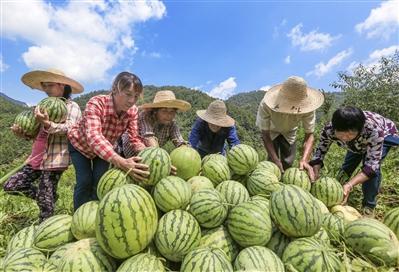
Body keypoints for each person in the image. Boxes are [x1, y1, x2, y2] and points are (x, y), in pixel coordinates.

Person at [3, 68, 83, 222]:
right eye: (44, 86)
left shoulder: (72, 107)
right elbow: (37, 133)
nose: (46, 90)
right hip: (35, 158)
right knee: (12, 185)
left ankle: (44, 228)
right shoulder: (43, 105)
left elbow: (70, 129)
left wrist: (47, 122)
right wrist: (24, 133)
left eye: (49, 85)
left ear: (61, 85)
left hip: (54, 159)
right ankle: (49, 198)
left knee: (46, 204)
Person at [68, 71, 149, 210]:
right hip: (80, 146)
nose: (132, 101)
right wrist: (121, 161)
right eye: (128, 94)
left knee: (101, 181)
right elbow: (94, 137)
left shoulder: (133, 111)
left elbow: (134, 138)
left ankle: (94, 214)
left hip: (105, 150)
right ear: (114, 89)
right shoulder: (97, 103)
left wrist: (153, 155)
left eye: (136, 96)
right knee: (84, 181)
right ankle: (78, 215)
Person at [309, 106, 399, 216]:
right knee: (348, 165)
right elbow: (319, 152)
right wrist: (315, 170)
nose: (345, 138)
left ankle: (369, 206)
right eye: (341, 134)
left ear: (359, 130)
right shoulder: (329, 129)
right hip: (357, 142)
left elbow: (371, 167)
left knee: (373, 173)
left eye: (350, 134)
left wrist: (350, 185)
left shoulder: (374, 131)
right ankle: (339, 191)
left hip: (385, 133)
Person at [256, 76, 324, 179]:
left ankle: (286, 181)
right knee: (272, 163)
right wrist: (275, 159)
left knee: (288, 161)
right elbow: (265, 135)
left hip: (290, 132)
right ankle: (272, 182)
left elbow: (309, 135)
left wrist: (304, 159)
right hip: (271, 131)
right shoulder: (266, 105)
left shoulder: (308, 107)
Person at [121, 90, 191, 158]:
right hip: (125, 152)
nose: (168, 115)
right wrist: (162, 158)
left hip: (148, 156)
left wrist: (186, 151)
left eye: (172, 111)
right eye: (164, 111)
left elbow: (179, 141)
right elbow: (148, 138)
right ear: (155, 111)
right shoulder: (145, 116)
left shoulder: (172, 124)